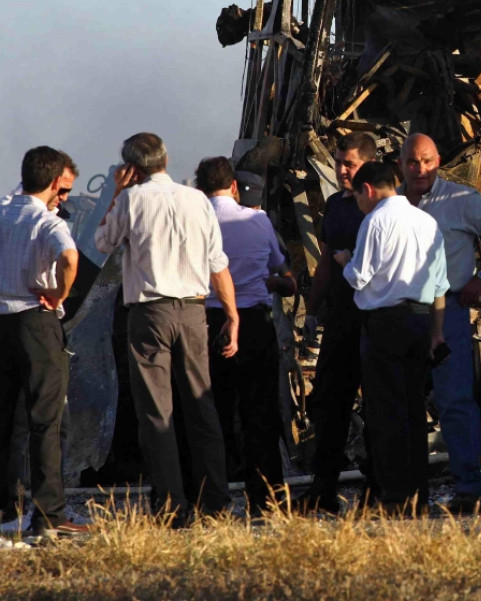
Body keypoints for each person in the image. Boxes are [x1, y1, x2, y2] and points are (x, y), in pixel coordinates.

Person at [95, 133, 238, 522]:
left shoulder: (130, 199)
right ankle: (215, 502)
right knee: (201, 407)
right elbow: (217, 261)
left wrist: (116, 193)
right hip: (193, 310)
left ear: (132, 169)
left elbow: (104, 242)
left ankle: (172, 507)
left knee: (157, 412)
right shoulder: (196, 199)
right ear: (165, 159)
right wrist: (232, 313)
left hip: (149, 313)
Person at [400, 133, 481, 513]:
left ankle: (470, 490)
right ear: (400, 164)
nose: (421, 169)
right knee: (400, 403)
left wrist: (480, 278)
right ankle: (406, 492)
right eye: (413, 162)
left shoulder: (459, 200)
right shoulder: (391, 204)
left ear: (438, 161)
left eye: (428, 161)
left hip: (448, 310)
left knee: (454, 401)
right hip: (400, 313)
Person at [333, 162, 448, 513]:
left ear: (368, 189)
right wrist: (436, 334)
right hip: (419, 322)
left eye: (356, 197)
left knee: (386, 414)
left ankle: (396, 498)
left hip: (385, 324)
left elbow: (359, 277)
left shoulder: (375, 221)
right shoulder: (427, 221)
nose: (357, 204)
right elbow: (441, 283)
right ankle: (420, 497)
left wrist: (344, 261)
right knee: (414, 412)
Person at [195, 158, 296, 515]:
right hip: (254, 322)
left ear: (198, 187)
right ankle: (266, 502)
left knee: (211, 414)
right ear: (234, 187)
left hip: (206, 322)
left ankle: (212, 500)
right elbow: (279, 268)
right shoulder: (258, 220)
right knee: (260, 415)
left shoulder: (193, 220)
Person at [0, 146, 88, 537]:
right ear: (55, 183)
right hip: (36, 322)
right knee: (45, 420)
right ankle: (49, 514)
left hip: (1, 323)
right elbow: (70, 258)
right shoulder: (48, 222)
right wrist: (60, 295)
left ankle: (5, 508)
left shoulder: (2, 209)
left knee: (5, 419)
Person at [297, 131, 378, 513]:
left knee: (378, 403)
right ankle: (323, 489)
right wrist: (312, 310)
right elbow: (327, 261)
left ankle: (377, 489)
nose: (342, 170)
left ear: (368, 165)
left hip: (375, 319)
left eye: (350, 164)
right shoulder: (335, 205)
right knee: (330, 402)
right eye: (339, 162)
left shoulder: (382, 207)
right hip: (341, 319)